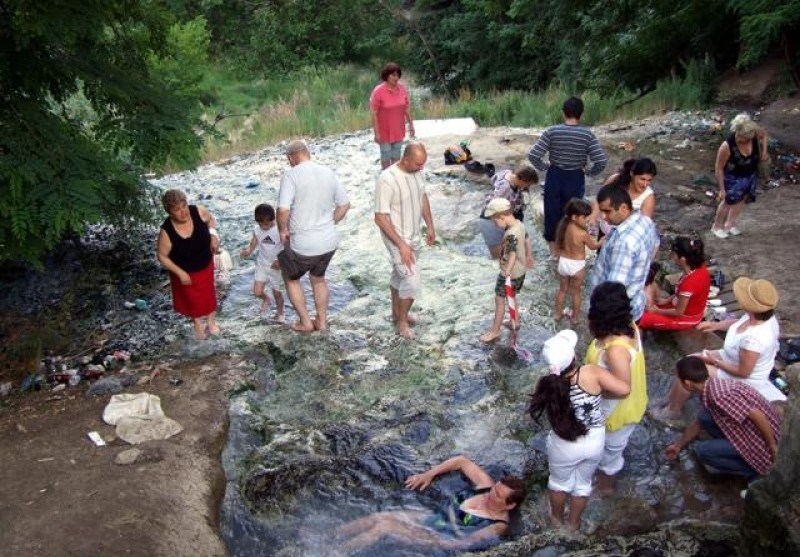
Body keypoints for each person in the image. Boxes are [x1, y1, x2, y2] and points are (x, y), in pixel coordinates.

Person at [528, 330, 630, 530]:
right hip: (594, 440)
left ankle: (557, 521)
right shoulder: (592, 373)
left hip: (564, 443)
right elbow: (624, 390)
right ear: (574, 357)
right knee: (582, 485)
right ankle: (574, 523)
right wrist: (602, 395)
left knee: (559, 483)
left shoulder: (547, 385)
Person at [652, 277, 786, 421]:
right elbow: (739, 322)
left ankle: (674, 410)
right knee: (686, 361)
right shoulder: (760, 317)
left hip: (745, 378)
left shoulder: (754, 340)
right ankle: (670, 399)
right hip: (731, 357)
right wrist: (716, 325)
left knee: (688, 372)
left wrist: (714, 362)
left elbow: (744, 372)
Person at [334, 455, 526, 553]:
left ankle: (334, 553)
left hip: (439, 536)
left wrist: (424, 540)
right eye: (494, 489)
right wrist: (429, 474)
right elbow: (462, 461)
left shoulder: (497, 526)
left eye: (498, 496)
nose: (491, 494)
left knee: (384, 527)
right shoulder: (486, 486)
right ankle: (330, 535)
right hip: (433, 518)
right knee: (381, 516)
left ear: (509, 506)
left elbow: (463, 543)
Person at [664, 355, 780, 481]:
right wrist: (678, 445)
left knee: (702, 451)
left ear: (686, 383)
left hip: (762, 443)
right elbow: (698, 423)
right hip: (754, 430)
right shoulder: (711, 385)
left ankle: (751, 471)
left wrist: (773, 447)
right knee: (704, 417)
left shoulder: (719, 396)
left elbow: (758, 415)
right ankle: (730, 447)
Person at [277, 140, 351, 332]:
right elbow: (344, 205)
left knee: (291, 277)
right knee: (318, 278)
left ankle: (306, 322)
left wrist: (283, 230)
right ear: (307, 153)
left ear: (291, 158)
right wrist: (329, 223)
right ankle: (323, 322)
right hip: (328, 242)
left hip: (304, 244)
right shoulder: (328, 172)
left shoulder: (291, 175)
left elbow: (283, 210)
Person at [585, 282, 648, 492]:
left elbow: (623, 389)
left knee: (610, 454)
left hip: (616, 413)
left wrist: (588, 388)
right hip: (630, 406)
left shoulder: (615, 351)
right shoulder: (629, 325)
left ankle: (605, 489)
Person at [527, 96, 608, 258]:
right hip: (575, 177)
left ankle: (554, 254)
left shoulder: (552, 131)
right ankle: (570, 251)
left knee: (552, 214)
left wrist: (545, 167)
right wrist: (589, 172)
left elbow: (533, 155)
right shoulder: (588, 135)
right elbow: (601, 161)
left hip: (555, 175)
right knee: (573, 214)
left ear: (563, 113)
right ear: (581, 114)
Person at [374, 141, 436, 340]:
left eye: (423, 164)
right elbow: (380, 217)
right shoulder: (387, 179)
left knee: (399, 276)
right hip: (396, 238)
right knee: (412, 281)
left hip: (414, 235)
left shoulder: (418, 172)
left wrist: (430, 225)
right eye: (418, 164)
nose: (422, 168)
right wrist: (401, 245)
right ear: (405, 159)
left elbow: (422, 197)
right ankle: (402, 322)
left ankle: (396, 313)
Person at [589, 184, 660, 322]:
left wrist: (600, 317)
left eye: (607, 211)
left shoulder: (624, 242)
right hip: (635, 304)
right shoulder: (645, 221)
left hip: (615, 314)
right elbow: (656, 244)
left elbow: (614, 289)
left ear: (623, 208)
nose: (603, 217)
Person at [156, 189, 221, 340]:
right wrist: (180, 273)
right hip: (184, 268)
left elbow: (211, 220)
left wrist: (213, 235)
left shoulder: (198, 211)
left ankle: (211, 321)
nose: (183, 212)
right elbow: (162, 256)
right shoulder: (166, 231)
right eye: (177, 210)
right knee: (191, 298)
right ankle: (197, 322)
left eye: (184, 206)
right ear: (169, 212)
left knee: (209, 291)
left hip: (204, 260)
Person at [710, 113, 769, 239]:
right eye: (745, 139)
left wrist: (764, 151)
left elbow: (764, 135)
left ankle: (730, 224)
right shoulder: (726, 146)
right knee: (727, 202)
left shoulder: (752, 133)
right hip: (732, 177)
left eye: (749, 139)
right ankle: (717, 226)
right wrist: (722, 188)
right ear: (738, 133)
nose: (747, 141)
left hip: (749, 173)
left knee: (741, 199)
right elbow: (718, 168)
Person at [479, 198, 527, 343]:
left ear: (501, 216)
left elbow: (511, 254)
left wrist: (507, 271)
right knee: (511, 297)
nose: (495, 224)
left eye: (495, 221)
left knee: (499, 300)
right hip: (520, 272)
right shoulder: (519, 225)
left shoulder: (510, 234)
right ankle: (515, 321)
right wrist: (529, 256)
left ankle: (495, 331)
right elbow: (526, 241)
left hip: (509, 274)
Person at [638, 237, 710, 331]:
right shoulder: (698, 267)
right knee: (650, 306)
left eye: (674, 255)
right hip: (683, 306)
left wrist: (657, 311)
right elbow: (680, 293)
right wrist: (667, 300)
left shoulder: (689, 284)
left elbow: (678, 312)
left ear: (683, 259)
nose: (673, 257)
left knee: (642, 319)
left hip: (685, 318)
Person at [478, 164, 539, 266]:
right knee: (498, 260)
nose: (527, 187)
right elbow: (491, 206)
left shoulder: (508, 173)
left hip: (503, 220)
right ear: (521, 179)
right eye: (528, 184)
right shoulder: (505, 189)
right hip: (490, 223)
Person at [553, 198, 601, 324]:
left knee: (562, 290)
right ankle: (574, 318)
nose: (586, 220)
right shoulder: (582, 234)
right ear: (574, 217)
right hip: (576, 265)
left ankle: (557, 314)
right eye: (584, 217)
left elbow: (557, 246)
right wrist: (602, 240)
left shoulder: (564, 226)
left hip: (563, 263)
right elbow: (593, 247)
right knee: (576, 293)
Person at [240, 203, 285, 323]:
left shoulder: (279, 230)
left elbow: (287, 246)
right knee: (257, 291)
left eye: (267, 224)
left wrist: (280, 260)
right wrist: (248, 251)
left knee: (277, 293)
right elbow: (254, 242)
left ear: (273, 219)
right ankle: (266, 298)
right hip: (262, 264)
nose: (264, 227)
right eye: (260, 224)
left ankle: (280, 313)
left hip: (276, 267)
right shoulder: (257, 230)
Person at [370, 62, 415, 169]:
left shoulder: (402, 89)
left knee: (396, 157)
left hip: (398, 130)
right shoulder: (378, 91)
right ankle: (385, 179)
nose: (396, 78)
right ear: (386, 75)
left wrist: (411, 125)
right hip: (384, 131)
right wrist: (376, 133)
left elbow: (407, 109)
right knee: (386, 157)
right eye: (393, 75)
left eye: (397, 75)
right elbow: (373, 113)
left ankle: (395, 180)